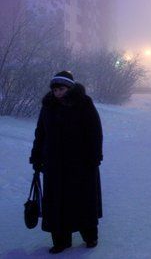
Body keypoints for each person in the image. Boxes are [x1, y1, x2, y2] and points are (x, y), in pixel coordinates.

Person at [29, 71, 103, 254]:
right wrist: (37, 157)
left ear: (69, 88)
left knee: (83, 200)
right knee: (56, 203)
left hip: (81, 163)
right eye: (54, 89)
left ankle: (90, 237)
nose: (57, 93)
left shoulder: (84, 104)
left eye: (60, 89)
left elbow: (95, 132)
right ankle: (61, 241)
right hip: (54, 164)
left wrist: (94, 156)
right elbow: (40, 133)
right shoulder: (48, 107)